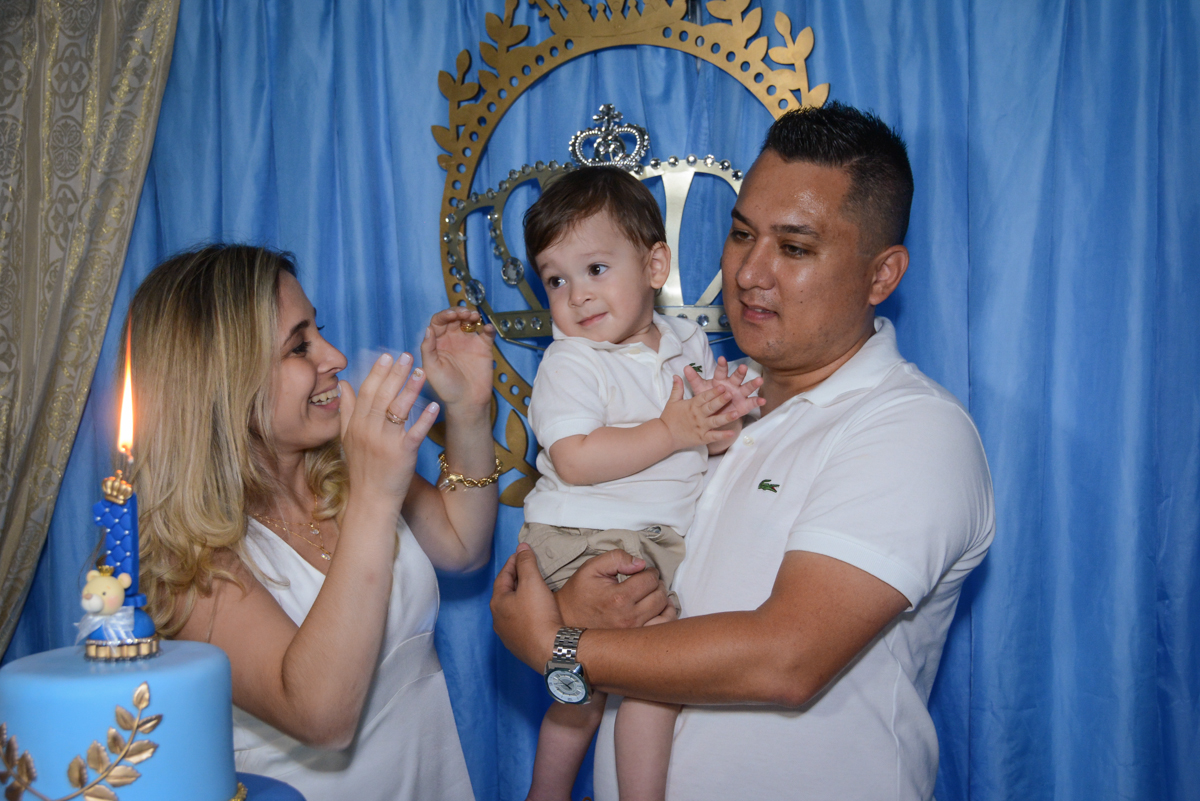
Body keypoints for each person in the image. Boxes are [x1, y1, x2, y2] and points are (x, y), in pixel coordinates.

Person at [492, 102, 995, 800]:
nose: (750, 272)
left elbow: (786, 658)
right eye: (740, 234)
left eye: (793, 247)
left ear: (881, 275)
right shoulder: (704, 395)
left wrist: (559, 649)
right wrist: (586, 603)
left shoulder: (911, 429)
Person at [127, 245, 499, 801]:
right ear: (223, 380)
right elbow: (322, 717)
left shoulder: (342, 466)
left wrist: (469, 412)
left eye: (319, 331)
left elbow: (463, 546)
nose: (336, 356)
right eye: (300, 346)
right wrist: (374, 497)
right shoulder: (185, 560)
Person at [517, 166, 762, 801]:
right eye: (555, 280)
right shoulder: (571, 360)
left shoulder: (688, 343)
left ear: (656, 266)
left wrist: (725, 415)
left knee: (617, 684)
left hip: (652, 536)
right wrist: (673, 431)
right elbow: (573, 457)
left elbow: (709, 443)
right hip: (581, 535)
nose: (576, 296)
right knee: (649, 672)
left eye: (596, 269)